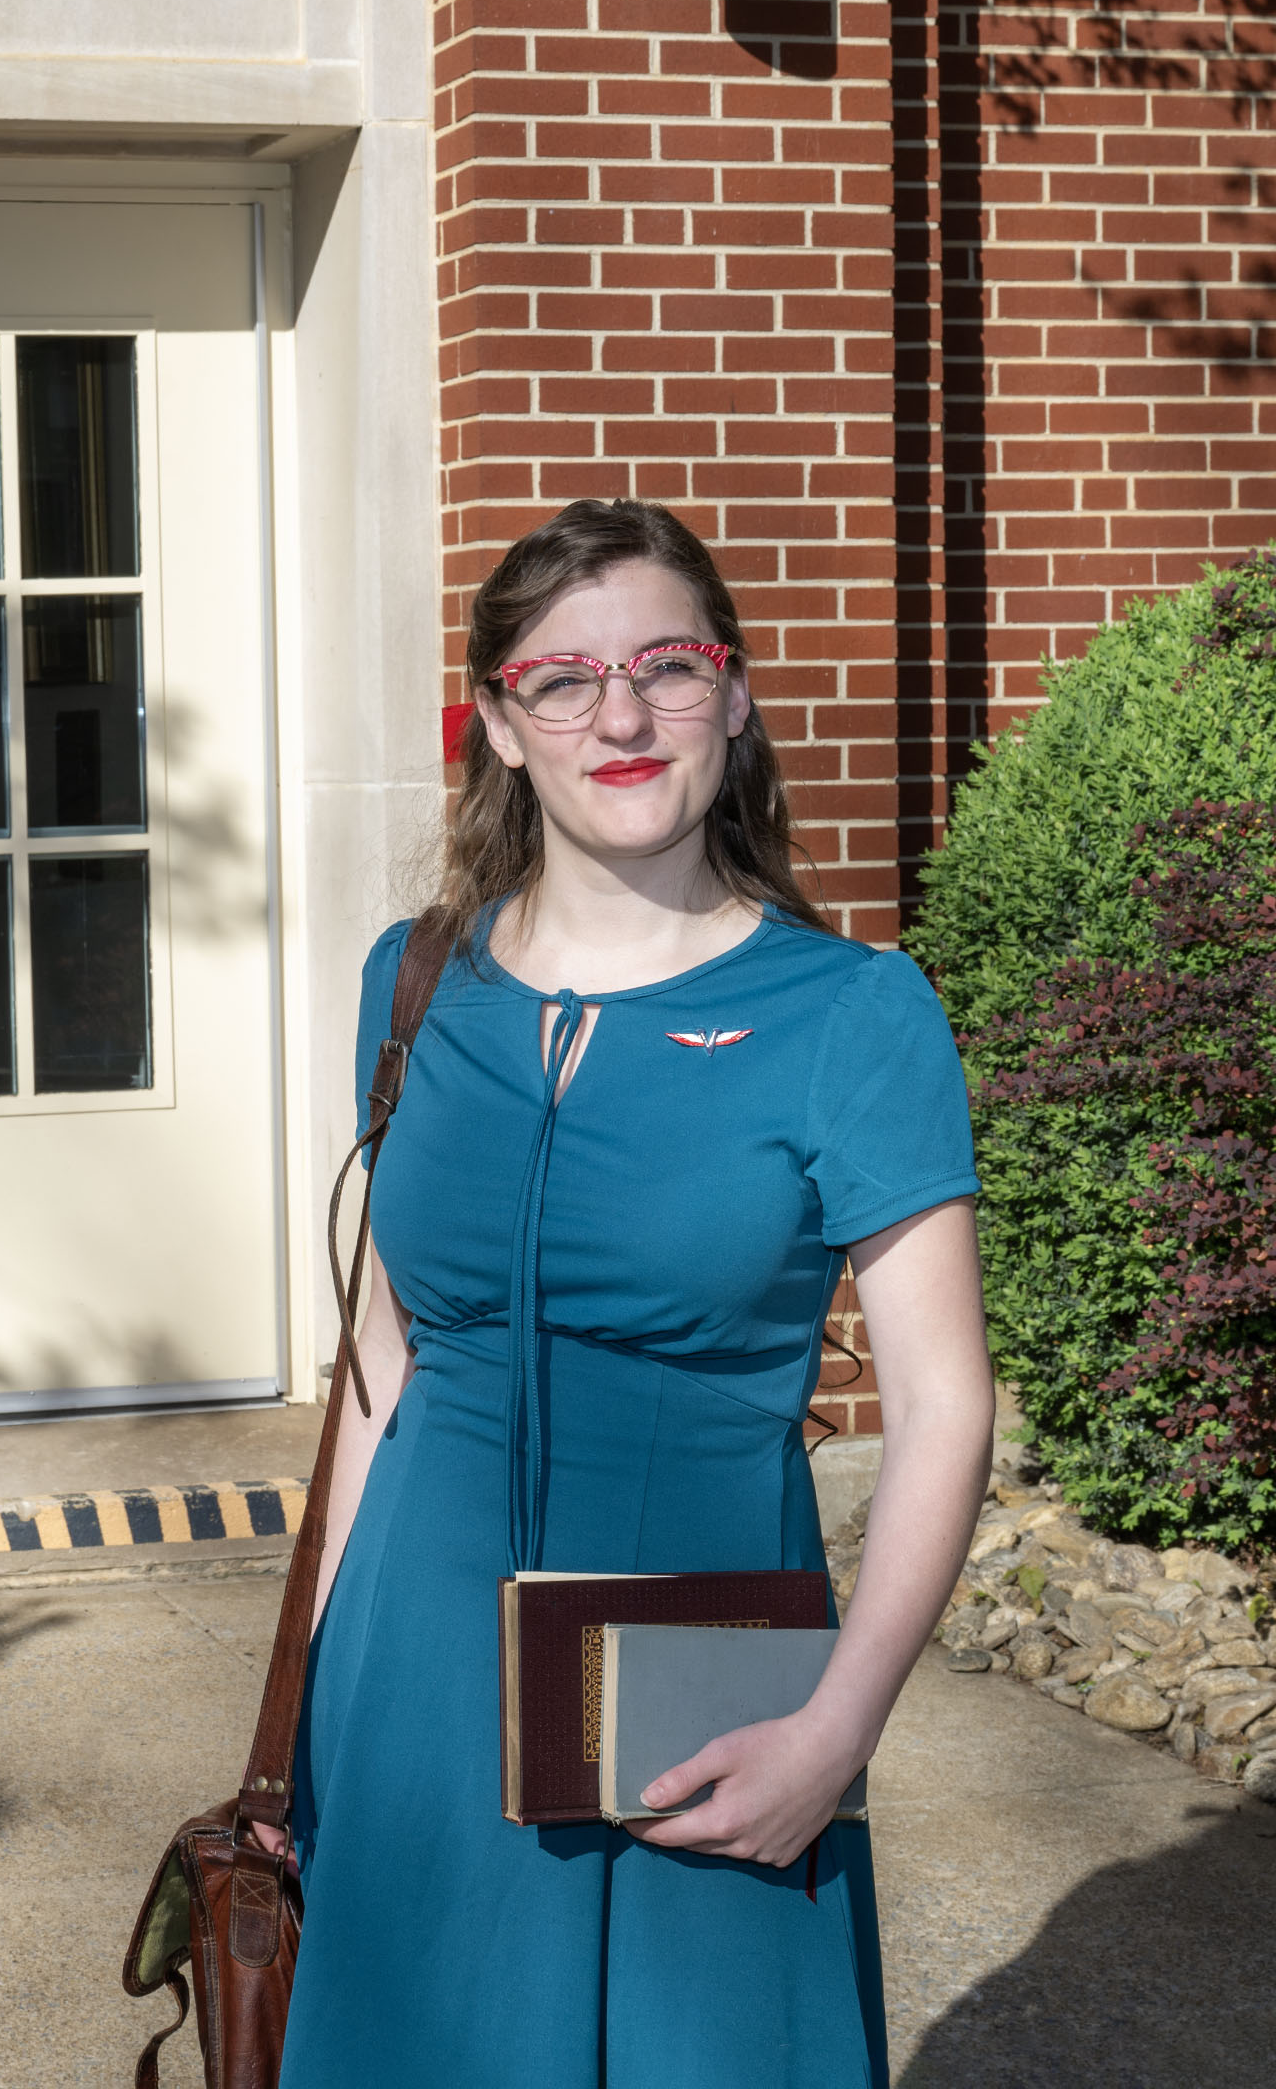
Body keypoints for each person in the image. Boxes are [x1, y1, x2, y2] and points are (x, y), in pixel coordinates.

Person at [274, 497, 992, 2086]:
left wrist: (838, 1730)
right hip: (417, 1667)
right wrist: (312, 1711)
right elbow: (378, 1377)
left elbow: (945, 1406)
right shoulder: (412, 983)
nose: (620, 715)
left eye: (668, 667)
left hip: (706, 1678)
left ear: (732, 698)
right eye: (564, 680)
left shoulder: (855, 1010)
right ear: (500, 726)